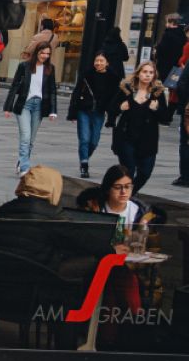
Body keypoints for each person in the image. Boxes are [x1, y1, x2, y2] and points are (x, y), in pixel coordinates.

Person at [2, 40, 59, 175]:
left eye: (47, 53)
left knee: (31, 140)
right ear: (36, 52)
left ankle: (21, 160)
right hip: (24, 105)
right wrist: (8, 107)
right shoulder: (24, 66)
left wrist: (53, 111)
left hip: (39, 105)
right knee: (26, 137)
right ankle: (25, 168)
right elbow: (14, 86)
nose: (44, 56)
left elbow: (52, 90)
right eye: (42, 52)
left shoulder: (50, 68)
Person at [67, 51, 121, 181]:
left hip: (99, 112)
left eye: (102, 61)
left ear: (107, 63)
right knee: (84, 139)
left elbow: (115, 99)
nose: (98, 63)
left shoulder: (113, 78)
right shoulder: (87, 75)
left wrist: (112, 116)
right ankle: (84, 164)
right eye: (97, 60)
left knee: (94, 141)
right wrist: (72, 112)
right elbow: (76, 93)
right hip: (83, 110)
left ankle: (84, 157)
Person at [115, 61, 167, 193]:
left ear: (154, 76)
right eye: (145, 72)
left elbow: (166, 118)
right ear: (138, 74)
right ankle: (124, 198)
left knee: (145, 172)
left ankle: (129, 193)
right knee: (129, 170)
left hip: (148, 140)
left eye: (151, 73)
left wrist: (156, 109)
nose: (148, 75)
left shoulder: (157, 93)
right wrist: (120, 107)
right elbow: (112, 108)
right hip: (127, 137)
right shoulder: (127, 90)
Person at [96, 164, 152, 230]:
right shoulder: (95, 209)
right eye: (118, 187)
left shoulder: (140, 211)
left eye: (127, 187)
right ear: (107, 189)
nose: (123, 192)